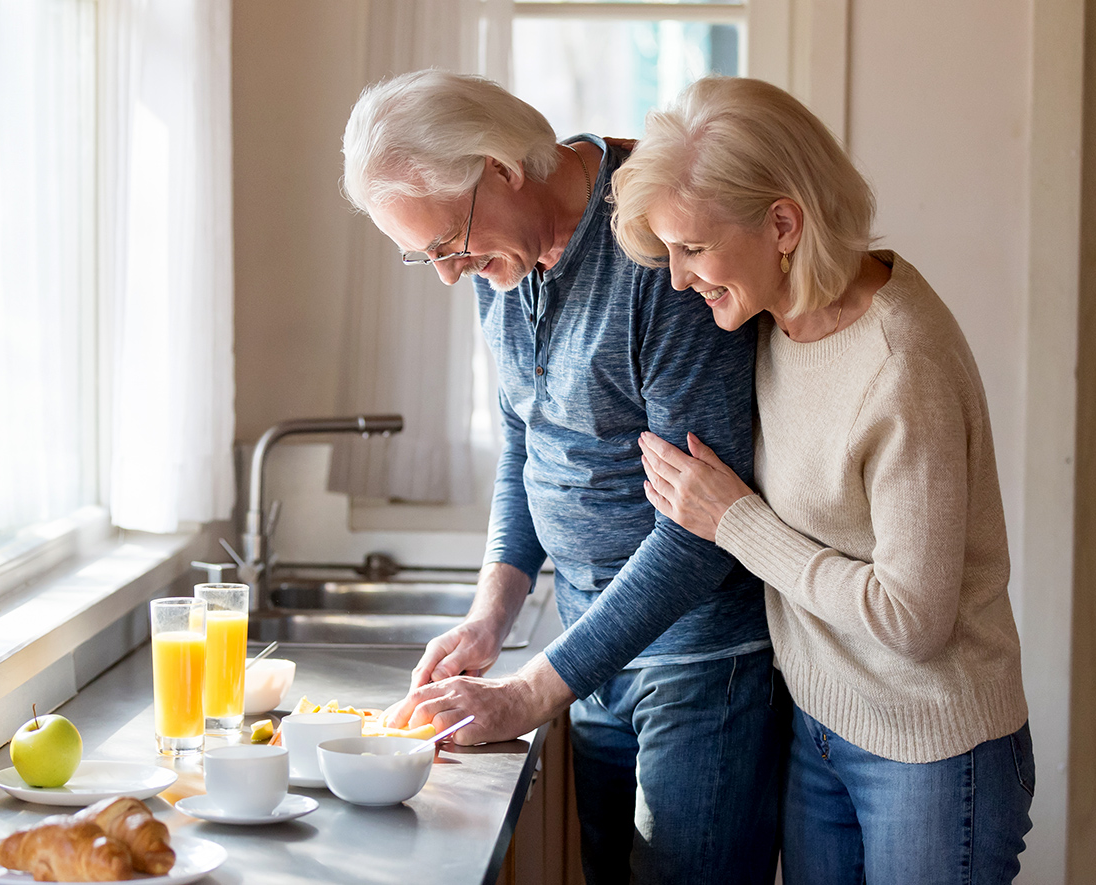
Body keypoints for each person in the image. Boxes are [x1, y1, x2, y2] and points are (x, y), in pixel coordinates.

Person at [341, 69, 787, 884]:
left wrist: (529, 691)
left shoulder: (660, 248)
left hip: (697, 667)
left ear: (501, 169)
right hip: (590, 654)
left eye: (447, 244)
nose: (448, 273)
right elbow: (525, 434)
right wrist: (491, 615)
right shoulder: (501, 265)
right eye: (424, 257)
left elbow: (701, 531)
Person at [610, 75, 1035, 884]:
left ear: (782, 222)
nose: (676, 279)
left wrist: (732, 521)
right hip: (820, 725)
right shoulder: (775, 316)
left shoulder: (900, 364)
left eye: (693, 249)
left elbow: (913, 618)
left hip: (932, 751)